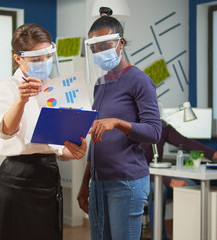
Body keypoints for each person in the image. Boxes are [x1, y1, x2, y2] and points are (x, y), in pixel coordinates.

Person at [0, 23, 87, 240]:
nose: (43, 63)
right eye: (36, 59)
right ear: (18, 59)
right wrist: (21, 100)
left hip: (48, 176)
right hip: (16, 177)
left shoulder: (56, 89)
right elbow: (6, 130)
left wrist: (72, 152)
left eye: (47, 56)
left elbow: (58, 146)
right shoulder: (5, 89)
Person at [77, 7, 162, 240]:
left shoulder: (139, 80)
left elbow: (154, 132)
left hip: (126, 182)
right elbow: (96, 138)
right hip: (99, 182)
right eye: (95, 49)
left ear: (120, 43)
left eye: (104, 47)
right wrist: (86, 182)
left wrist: (117, 122)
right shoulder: (100, 83)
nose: (99, 53)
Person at [142, 120, 217, 239]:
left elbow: (185, 142)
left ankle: (189, 234)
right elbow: (133, 166)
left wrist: (216, 155)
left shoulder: (161, 126)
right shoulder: (131, 126)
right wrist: (168, 181)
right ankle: (159, 237)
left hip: (156, 176)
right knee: (159, 189)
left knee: (190, 185)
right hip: (137, 178)